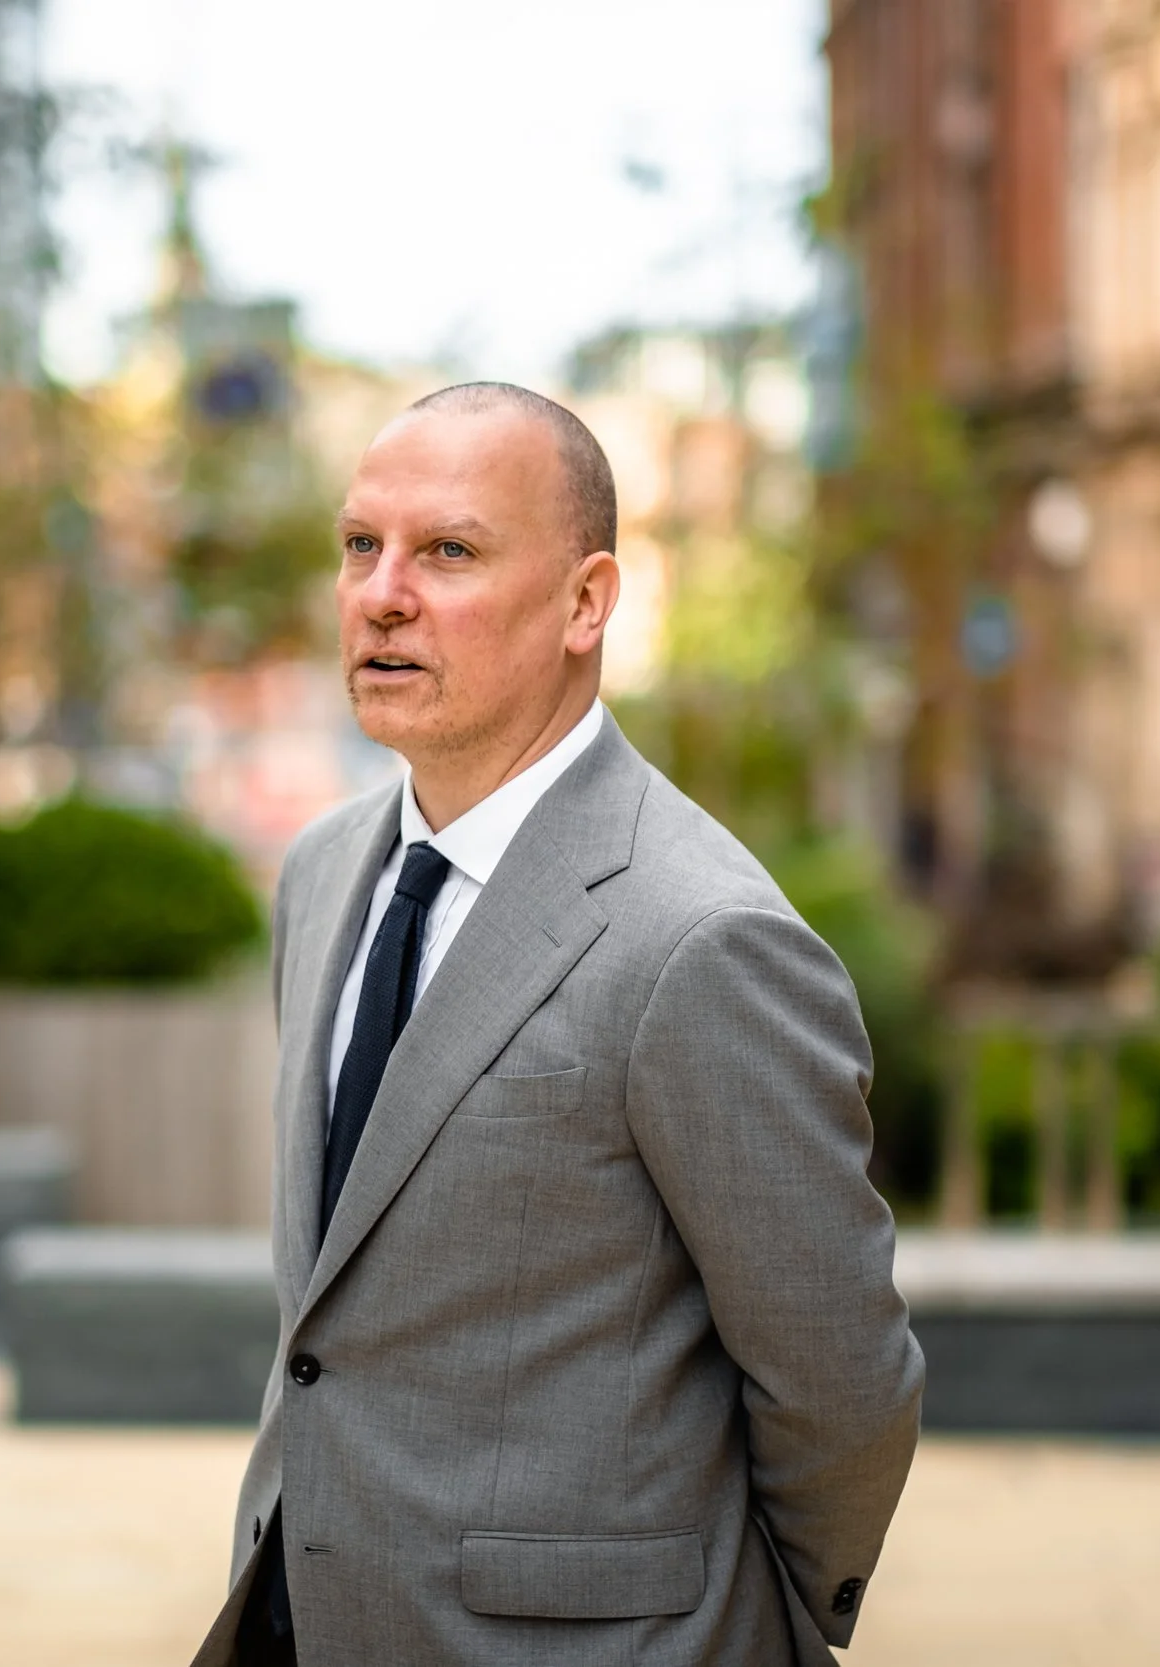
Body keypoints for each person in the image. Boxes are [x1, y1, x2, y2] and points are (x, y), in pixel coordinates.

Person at [189, 383, 925, 1666]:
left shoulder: (698, 937)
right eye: (362, 545)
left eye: (450, 551)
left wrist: (750, 1629)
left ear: (587, 601)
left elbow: (838, 1376)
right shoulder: (318, 876)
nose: (382, 593)